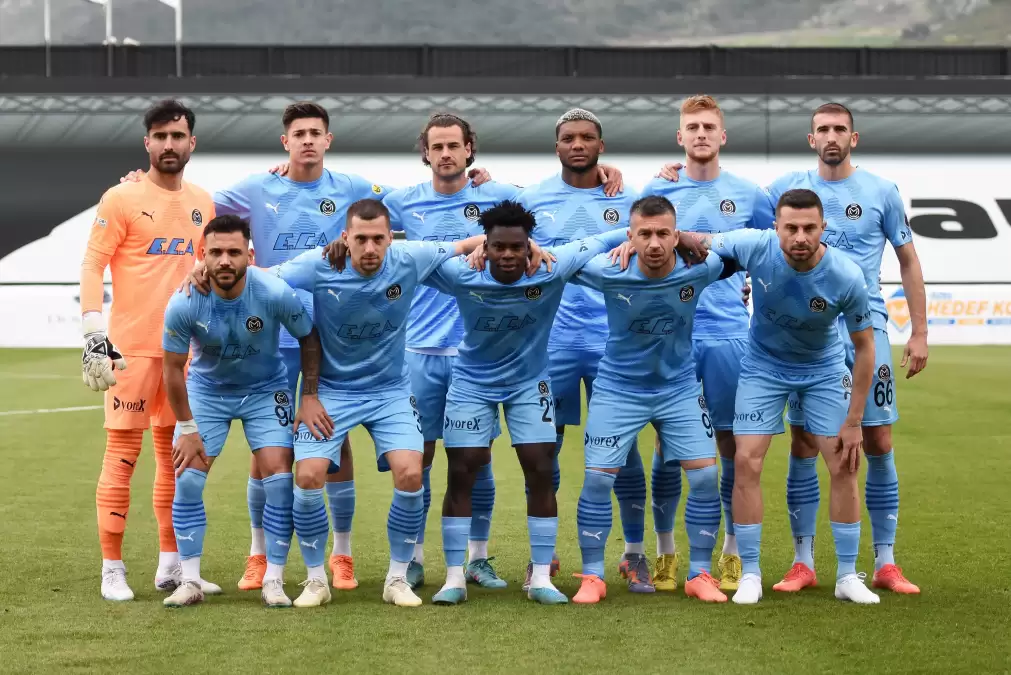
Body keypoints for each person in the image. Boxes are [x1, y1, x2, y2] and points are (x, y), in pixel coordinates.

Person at [273, 199, 500, 608]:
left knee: (411, 473)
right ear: (345, 238)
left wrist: (491, 245)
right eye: (360, 239)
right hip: (332, 391)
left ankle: (396, 578)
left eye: (378, 239)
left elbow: (468, 243)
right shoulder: (319, 264)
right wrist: (202, 272)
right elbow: (262, 279)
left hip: (390, 391)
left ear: (390, 238)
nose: (370, 248)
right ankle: (315, 580)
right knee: (307, 476)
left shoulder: (409, 257)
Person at [420, 200, 631, 606]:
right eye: (498, 246)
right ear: (486, 245)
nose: (508, 255)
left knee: (540, 468)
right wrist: (467, 247)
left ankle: (540, 579)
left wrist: (636, 240)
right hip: (472, 384)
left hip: (529, 384)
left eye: (517, 246)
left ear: (529, 245)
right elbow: (410, 257)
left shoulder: (553, 266)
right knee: (462, 471)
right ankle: (454, 578)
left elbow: (607, 237)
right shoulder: (463, 273)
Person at [765, 103, 926, 595]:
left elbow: (908, 259)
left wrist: (919, 331)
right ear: (810, 139)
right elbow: (739, 233)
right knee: (803, 442)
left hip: (866, 330)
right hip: (805, 334)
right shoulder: (785, 189)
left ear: (853, 138)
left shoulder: (881, 191)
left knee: (877, 442)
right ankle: (803, 562)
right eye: (823, 129)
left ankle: (886, 562)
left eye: (840, 129)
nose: (831, 136)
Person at [692, 188, 881, 605]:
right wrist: (650, 239)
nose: (800, 237)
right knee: (746, 461)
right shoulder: (755, 244)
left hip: (823, 369)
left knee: (844, 464)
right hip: (763, 367)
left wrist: (854, 422)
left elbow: (865, 348)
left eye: (809, 228)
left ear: (823, 228)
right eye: (790, 227)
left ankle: (847, 576)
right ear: (775, 227)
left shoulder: (846, 275)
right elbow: (696, 239)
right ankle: (750, 574)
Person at [80, 99, 219, 601]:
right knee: (122, 456)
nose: (168, 144)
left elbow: (208, 269)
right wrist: (93, 332)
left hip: (184, 354)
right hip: (132, 351)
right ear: (147, 143)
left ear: (191, 143)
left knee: (174, 458)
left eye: (177, 136)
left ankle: (171, 565)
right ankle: (112, 568)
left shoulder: (204, 202)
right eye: (160, 136)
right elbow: (93, 264)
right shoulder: (121, 197)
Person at [640, 94, 775, 592]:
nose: (700, 134)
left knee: (730, 444)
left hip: (728, 337)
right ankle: (665, 552)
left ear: (723, 136)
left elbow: (771, 254)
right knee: (666, 446)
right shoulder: (658, 189)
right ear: (680, 137)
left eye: (708, 127)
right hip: (671, 336)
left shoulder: (749, 194)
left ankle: (732, 552)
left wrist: (750, 287)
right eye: (692, 127)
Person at [381, 113, 520, 590]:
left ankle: (478, 559)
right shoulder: (402, 202)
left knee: (476, 459)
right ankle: (413, 558)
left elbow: (549, 199)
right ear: (425, 152)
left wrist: (608, 172)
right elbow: (349, 212)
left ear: (469, 149)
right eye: (436, 146)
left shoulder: (496, 198)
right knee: (416, 460)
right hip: (417, 351)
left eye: (453, 146)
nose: (445, 154)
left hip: (475, 355)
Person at [571, 195, 734, 604]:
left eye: (664, 233)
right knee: (597, 479)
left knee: (704, 478)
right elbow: (562, 261)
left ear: (676, 236)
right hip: (618, 389)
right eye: (644, 234)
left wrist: (699, 239)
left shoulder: (699, 267)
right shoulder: (609, 270)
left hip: (679, 389)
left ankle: (699, 573)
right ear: (631, 236)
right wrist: (613, 239)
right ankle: (592, 576)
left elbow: (744, 252)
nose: (655, 243)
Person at [516, 108, 649, 592]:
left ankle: (634, 553)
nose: (577, 144)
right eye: (569, 138)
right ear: (556, 146)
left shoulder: (628, 201)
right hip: (550, 341)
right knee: (543, 448)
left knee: (624, 449)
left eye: (587, 138)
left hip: (616, 342)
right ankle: (543, 556)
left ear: (601, 145)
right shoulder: (531, 200)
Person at [161, 214, 317, 608]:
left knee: (279, 480)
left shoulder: (274, 291)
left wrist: (309, 395)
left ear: (250, 255)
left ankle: (274, 579)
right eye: (216, 252)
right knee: (188, 479)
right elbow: (172, 370)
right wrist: (187, 427)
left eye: (234, 252)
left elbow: (309, 338)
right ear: (203, 255)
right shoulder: (184, 301)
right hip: (207, 391)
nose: (225, 260)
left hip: (266, 390)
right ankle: (189, 580)